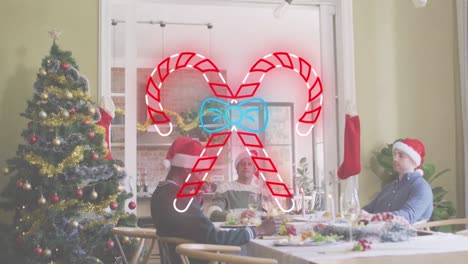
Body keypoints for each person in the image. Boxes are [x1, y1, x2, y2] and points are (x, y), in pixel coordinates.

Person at [151, 137, 281, 264]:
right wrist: (258, 231)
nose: (202, 177)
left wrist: (195, 201)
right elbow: (215, 238)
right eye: (201, 172)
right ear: (187, 168)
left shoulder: (162, 192)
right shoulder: (180, 199)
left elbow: (192, 228)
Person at [362, 138, 433, 224]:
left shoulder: (421, 187)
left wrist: (373, 218)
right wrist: (356, 214)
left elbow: (407, 216)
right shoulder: (389, 187)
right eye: (395, 154)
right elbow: (368, 209)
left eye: (401, 155)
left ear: (414, 162)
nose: (395, 159)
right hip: (377, 232)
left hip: (408, 236)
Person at [206, 150, 263, 222]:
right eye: (242, 164)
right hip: (234, 233)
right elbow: (212, 214)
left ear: (254, 169)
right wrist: (239, 216)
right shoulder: (224, 188)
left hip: (258, 232)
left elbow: (267, 216)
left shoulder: (260, 192)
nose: (246, 166)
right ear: (237, 168)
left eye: (249, 164)